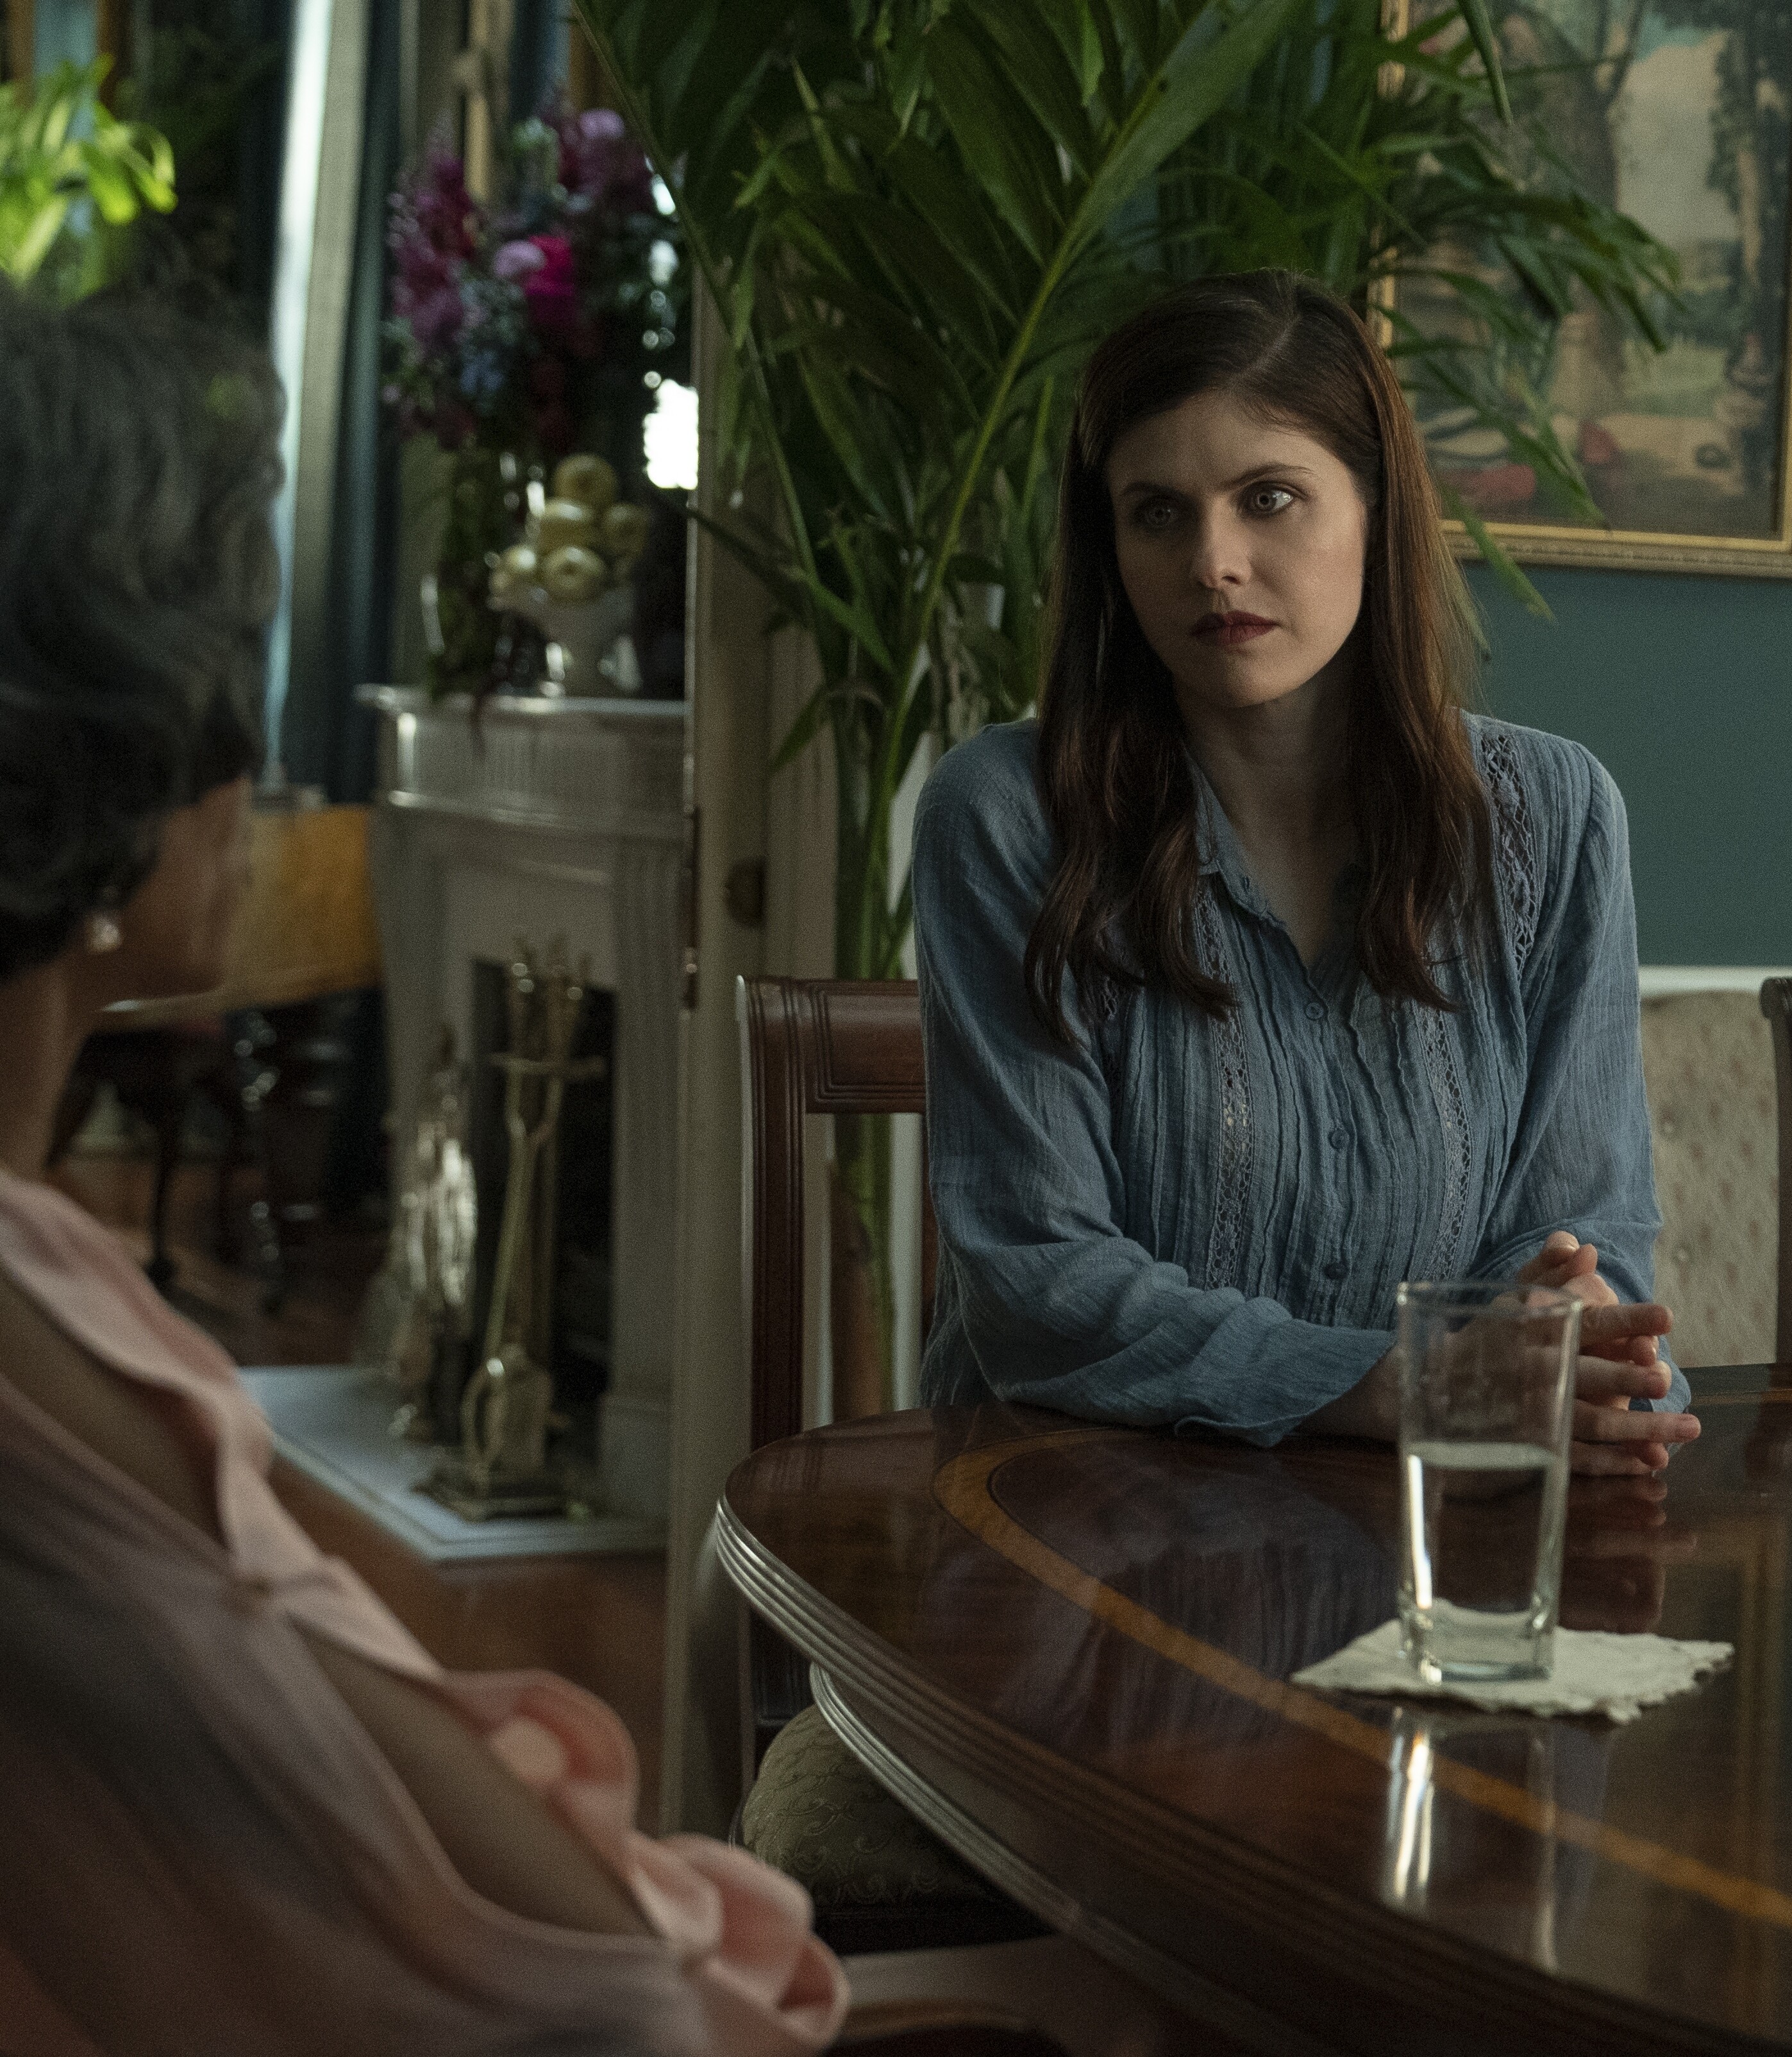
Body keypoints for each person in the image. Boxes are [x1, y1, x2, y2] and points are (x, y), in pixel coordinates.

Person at [0, 289, 843, 2049]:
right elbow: (582, 1990)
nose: (259, 763)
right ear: (108, 755)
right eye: (222, 674)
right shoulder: (38, 1341)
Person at [916, 271, 1694, 1473]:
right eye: (1157, 513)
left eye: (1268, 498)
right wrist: (1396, 1385)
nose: (1213, 562)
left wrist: (1559, 1327)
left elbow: (1583, 1234)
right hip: (1076, 1513)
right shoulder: (1011, 815)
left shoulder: (1553, 816)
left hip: (1426, 1516)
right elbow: (1038, 1281)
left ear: (1376, 509)